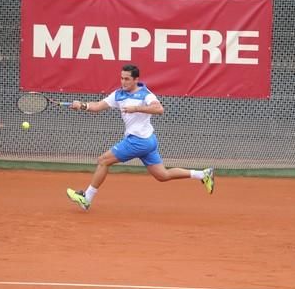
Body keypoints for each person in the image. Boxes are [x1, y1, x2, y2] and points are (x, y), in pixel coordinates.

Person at [66, 64, 214, 210]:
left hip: (138, 141)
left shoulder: (145, 94)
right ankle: (202, 174)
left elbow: (159, 109)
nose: (123, 82)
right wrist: (82, 105)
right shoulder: (118, 94)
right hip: (148, 141)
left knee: (103, 161)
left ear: (136, 79)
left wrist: (136, 108)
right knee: (162, 175)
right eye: (122, 78)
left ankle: (87, 198)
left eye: (127, 79)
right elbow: (98, 106)